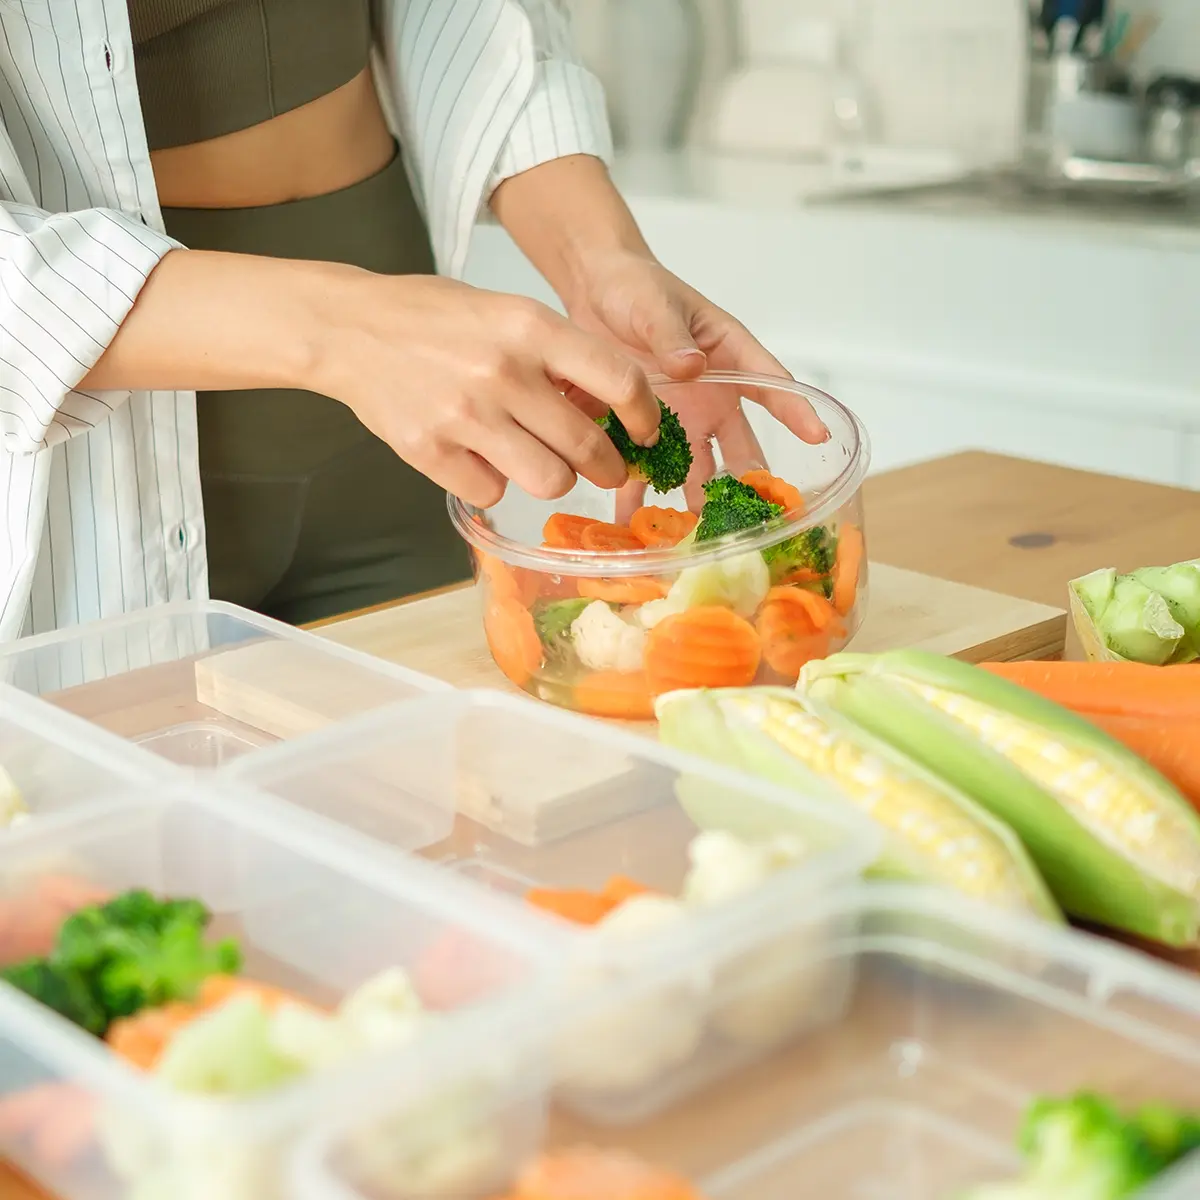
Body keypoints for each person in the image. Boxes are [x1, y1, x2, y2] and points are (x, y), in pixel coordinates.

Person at [0, 0, 824, 637]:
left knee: (455, 826)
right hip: (82, 470)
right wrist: (353, 332)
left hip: (403, 426)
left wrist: (596, 257)